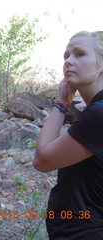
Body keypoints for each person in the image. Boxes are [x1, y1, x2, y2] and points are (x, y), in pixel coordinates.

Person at [33, 31, 103, 239]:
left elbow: (41, 161)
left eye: (80, 54)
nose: (69, 62)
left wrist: (62, 102)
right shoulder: (95, 110)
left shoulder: (98, 114)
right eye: (66, 56)